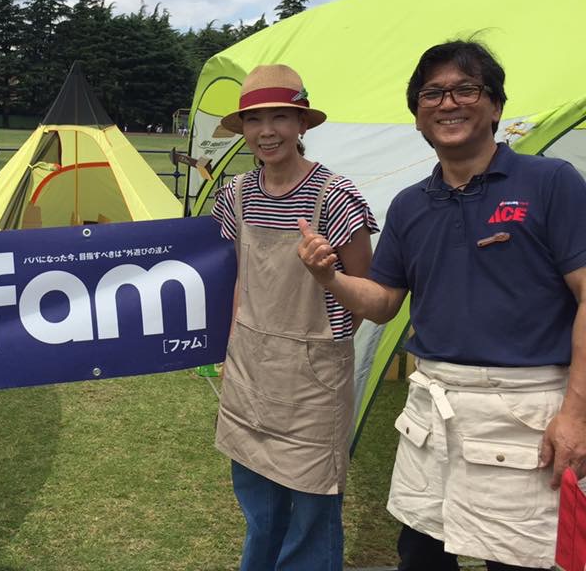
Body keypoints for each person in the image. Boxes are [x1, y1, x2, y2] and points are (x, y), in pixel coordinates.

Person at [297, 39, 586, 570]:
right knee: (421, 554)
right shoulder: (410, 204)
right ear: (416, 117)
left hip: (527, 409)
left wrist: (576, 413)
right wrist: (329, 276)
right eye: (431, 95)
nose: (447, 104)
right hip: (434, 406)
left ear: (496, 106)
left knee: (523, 559)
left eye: (464, 90)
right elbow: (383, 303)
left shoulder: (550, 183)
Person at [211, 64, 377, 571]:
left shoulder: (336, 197)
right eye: (255, 119)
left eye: (280, 116)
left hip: (312, 376)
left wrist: (327, 280)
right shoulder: (234, 194)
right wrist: (231, 344)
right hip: (249, 367)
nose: (267, 131)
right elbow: (239, 277)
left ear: (302, 124)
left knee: (312, 507)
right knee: (258, 504)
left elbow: (367, 294)